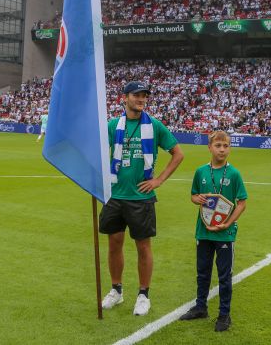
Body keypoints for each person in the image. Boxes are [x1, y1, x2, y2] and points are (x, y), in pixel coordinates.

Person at [99, 81, 184, 316]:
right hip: (114, 195)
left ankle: (143, 295)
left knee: (143, 246)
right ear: (124, 98)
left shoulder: (154, 125)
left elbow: (178, 154)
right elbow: (97, 152)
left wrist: (158, 180)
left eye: (144, 95)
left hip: (141, 197)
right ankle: (116, 290)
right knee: (114, 243)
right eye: (137, 95)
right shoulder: (113, 125)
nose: (141, 99)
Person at [179, 130, 247, 332]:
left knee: (224, 275)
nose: (222, 149)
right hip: (204, 231)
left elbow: (242, 203)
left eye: (226, 146)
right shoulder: (201, 172)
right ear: (209, 147)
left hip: (225, 233)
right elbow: (193, 196)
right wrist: (197, 199)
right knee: (202, 273)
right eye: (218, 146)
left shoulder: (234, 174)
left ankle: (224, 314)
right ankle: (201, 307)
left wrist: (228, 223)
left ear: (230, 148)